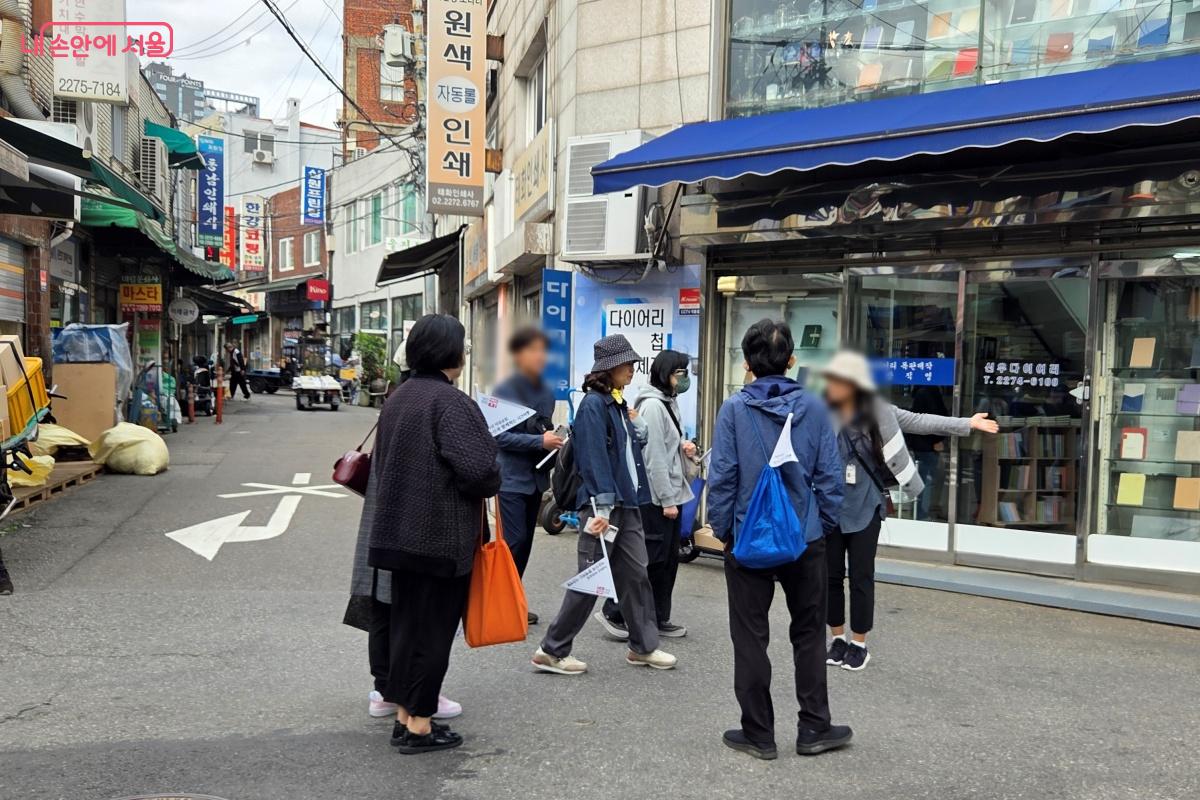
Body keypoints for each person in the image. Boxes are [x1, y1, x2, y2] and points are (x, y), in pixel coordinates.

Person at [708, 319, 849, 761]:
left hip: (748, 540)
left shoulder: (733, 410)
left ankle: (759, 734)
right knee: (809, 634)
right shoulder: (816, 407)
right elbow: (829, 477)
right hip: (805, 541)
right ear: (792, 361)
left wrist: (725, 532)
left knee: (750, 637)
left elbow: (723, 478)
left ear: (748, 365)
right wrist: (821, 526)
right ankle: (814, 729)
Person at [366, 314, 501, 754]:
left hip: (396, 535)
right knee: (432, 636)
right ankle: (421, 725)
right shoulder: (451, 402)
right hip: (438, 538)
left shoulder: (400, 396)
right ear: (450, 353)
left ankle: (405, 715)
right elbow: (479, 471)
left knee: (406, 629)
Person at [820, 351, 999, 672]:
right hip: (830, 506)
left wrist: (967, 424)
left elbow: (920, 420)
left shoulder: (879, 411)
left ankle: (859, 643)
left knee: (861, 577)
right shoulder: (822, 414)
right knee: (831, 576)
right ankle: (837, 639)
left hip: (866, 506)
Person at [532, 334, 678, 675]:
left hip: (626, 504)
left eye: (632, 363)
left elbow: (634, 444)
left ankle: (643, 646)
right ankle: (552, 650)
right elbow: (594, 458)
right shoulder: (594, 405)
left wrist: (633, 419)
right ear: (609, 367)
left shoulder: (614, 402)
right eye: (627, 364)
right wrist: (601, 509)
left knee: (636, 575)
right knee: (590, 579)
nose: (632, 369)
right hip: (605, 507)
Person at [596, 350, 697, 640]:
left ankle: (656, 616)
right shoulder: (653, 405)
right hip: (655, 498)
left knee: (666, 561)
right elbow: (654, 459)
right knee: (646, 559)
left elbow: (666, 447)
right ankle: (614, 611)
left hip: (671, 493)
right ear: (666, 374)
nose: (685, 378)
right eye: (680, 373)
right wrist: (667, 501)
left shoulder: (669, 402)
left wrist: (685, 447)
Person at [494, 326, 562, 625]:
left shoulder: (546, 392)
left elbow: (543, 430)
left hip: (536, 477)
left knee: (526, 543)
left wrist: (555, 441)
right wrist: (539, 442)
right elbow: (498, 437)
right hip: (510, 478)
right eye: (533, 350)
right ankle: (497, 602)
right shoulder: (505, 390)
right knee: (515, 541)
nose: (540, 356)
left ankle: (512, 600)